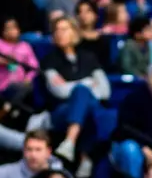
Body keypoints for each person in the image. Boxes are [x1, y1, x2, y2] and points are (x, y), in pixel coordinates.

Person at [41, 18, 109, 161]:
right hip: (62, 110)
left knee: (88, 104)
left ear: (74, 32)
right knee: (82, 93)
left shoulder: (89, 57)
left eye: (64, 29)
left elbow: (105, 91)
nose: (60, 33)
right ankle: (85, 157)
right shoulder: (49, 60)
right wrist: (86, 83)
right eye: (56, 30)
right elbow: (59, 91)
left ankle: (70, 143)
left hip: (89, 106)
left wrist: (74, 86)